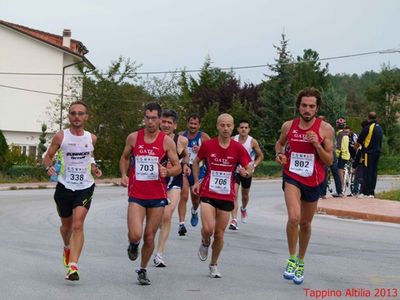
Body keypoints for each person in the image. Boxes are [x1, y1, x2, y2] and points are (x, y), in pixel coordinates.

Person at [275, 87, 333, 285]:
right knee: (294, 217)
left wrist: (317, 145)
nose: (307, 109)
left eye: (311, 106)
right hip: (292, 176)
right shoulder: (288, 126)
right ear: (298, 106)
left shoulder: (325, 129)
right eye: (304, 105)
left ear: (317, 108)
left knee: (305, 224)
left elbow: (330, 160)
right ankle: (291, 258)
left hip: (314, 179)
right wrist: (280, 154)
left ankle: (301, 260)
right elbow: (279, 144)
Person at [120, 102, 181, 285]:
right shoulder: (133, 138)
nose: (151, 121)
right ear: (144, 118)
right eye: (148, 117)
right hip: (137, 194)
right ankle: (132, 244)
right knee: (136, 234)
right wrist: (124, 175)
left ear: (160, 120)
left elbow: (178, 166)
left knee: (149, 236)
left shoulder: (166, 141)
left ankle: (143, 269)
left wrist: (168, 172)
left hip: (157, 196)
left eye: (155, 118)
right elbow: (124, 157)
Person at [43, 100, 102, 281]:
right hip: (64, 186)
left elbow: (90, 156)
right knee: (66, 226)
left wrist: (94, 168)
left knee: (78, 224)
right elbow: (48, 156)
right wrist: (48, 167)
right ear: (69, 116)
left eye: (80, 113)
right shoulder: (61, 137)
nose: (77, 116)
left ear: (86, 117)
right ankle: (67, 247)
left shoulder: (91, 138)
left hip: (85, 186)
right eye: (73, 113)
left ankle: (73, 266)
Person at [192, 113, 253, 278]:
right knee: (207, 228)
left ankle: (213, 264)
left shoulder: (238, 148)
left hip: (226, 196)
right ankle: (205, 242)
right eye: (222, 125)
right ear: (217, 126)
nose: (225, 128)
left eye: (229, 125)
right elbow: (196, 161)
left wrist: (246, 172)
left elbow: (249, 168)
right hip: (208, 193)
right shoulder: (208, 145)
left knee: (219, 234)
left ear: (233, 127)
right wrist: (197, 181)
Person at [153, 109, 190, 267]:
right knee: (156, 218)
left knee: (167, 215)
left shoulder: (181, 140)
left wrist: (186, 165)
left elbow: (186, 155)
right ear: (159, 122)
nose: (166, 125)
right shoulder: (154, 138)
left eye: (170, 123)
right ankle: (150, 241)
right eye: (164, 122)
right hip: (155, 182)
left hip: (174, 181)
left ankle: (159, 253)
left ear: (175, 125)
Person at [177, 114, 210, 236]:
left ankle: (194, 210)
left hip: (198, 170)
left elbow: (212, 153)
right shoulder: (180, 136)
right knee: (184, 196)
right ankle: (181, 224)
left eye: (195, 124)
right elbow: (173, 150)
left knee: (196, 198)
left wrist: (202, 150)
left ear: (199, 125)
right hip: (184, 169)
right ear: (187, 123)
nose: (193, 126)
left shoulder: (204, 137)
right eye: (191, 123)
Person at [228, 120, 264, 230]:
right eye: (241, 127)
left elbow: (261, 156)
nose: (243, 129)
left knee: (244, 195)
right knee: (233, 194)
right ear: (238, 129)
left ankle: (243, 208)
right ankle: (234, 220)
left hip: (247, 171)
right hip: (236, 170)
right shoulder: (233, 139)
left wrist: (253, 166)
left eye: (246, 127)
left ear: (248, 130)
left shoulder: (252, 141)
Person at [355, 112, 383, 198]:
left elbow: (359, 140)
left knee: (367, 172)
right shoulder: (380, 128)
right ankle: (371, 192)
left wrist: (355, 148)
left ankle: (365, 193)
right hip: (377, 153)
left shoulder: (368, 127)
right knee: (373, 172)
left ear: (368, 118)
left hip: (368, 153)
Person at [335, 118, 350, 196]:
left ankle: (340, 190)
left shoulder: (339, 134)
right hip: (346, 155)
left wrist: (335, 155)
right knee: (342, 170)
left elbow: (338, 147)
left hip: (341, 155)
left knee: (339, 172)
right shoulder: (346, 134)